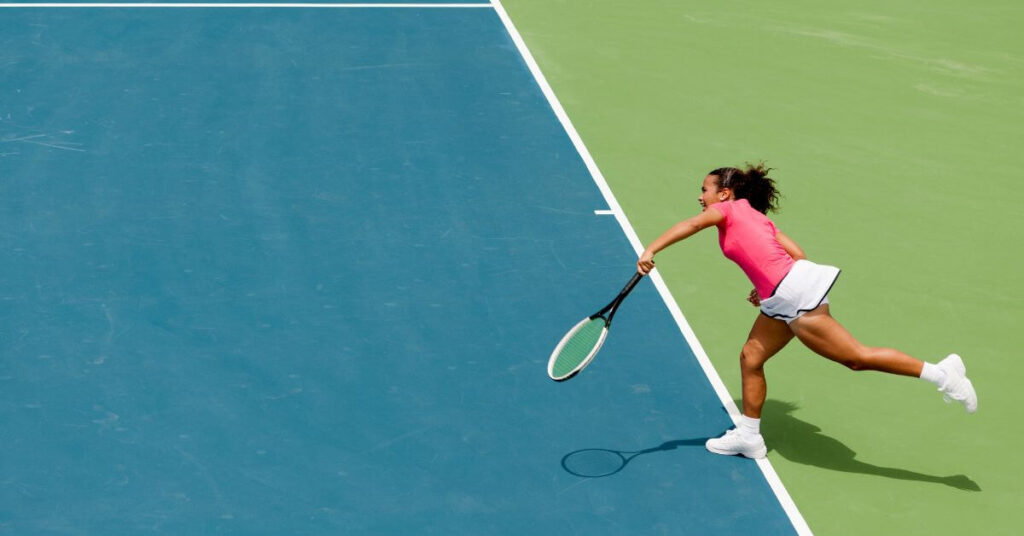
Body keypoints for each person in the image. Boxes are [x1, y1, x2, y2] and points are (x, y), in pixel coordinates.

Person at [635, 163, 977, 460]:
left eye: (705, 190)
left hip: (792, 296)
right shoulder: (756, 217)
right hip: (785, 294)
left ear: (724, 194)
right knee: (751, 357)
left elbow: (693, 225)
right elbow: (795, 253)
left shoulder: (727, 210)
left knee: (855, 358)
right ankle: (749, 436)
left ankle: (943, 375)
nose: (701, 197)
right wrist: (768, 285)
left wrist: (651, 248)